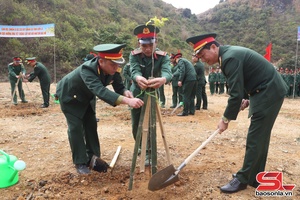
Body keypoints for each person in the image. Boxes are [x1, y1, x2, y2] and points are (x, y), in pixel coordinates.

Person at [186, 33, 288, 193]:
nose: (203, 60)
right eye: (199, 57)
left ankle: (242, 179)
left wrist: (225, 119)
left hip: (269, 91)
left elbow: (235, 94)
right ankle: (254, 176)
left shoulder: (229, 58)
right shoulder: (227, 56)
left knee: (255, 137)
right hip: (265, 90)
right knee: (260, 137)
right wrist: (246, 98)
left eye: (203, 55)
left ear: (213, 47)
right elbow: (246, 79)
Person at [56, 44, 144, 174]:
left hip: (87, 97)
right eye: (113, 64)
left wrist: (125, 92)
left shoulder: (113, 69)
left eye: (117, 64)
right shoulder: (87, 69)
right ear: (101, 61)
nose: (116, 67)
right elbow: (100, 90)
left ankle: (93, 158)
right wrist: (128, 101)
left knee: (91, 124)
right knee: (76, 128)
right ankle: (80, 162)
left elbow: (119, 85)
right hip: (70, 96)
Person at [129, 24, 172, 165]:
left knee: (151, 123)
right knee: (137, 123)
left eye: (150, 45)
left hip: (153, 93)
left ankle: (150, 150)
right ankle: (141, 147)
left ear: (156, 42)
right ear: (139, 44)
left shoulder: (162, 57)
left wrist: (163, 79)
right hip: (137, 93)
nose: (147, 49)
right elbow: (134, 70)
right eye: (144, 46)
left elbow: (167, 71)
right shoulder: (134, 55)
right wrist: (137, 78)